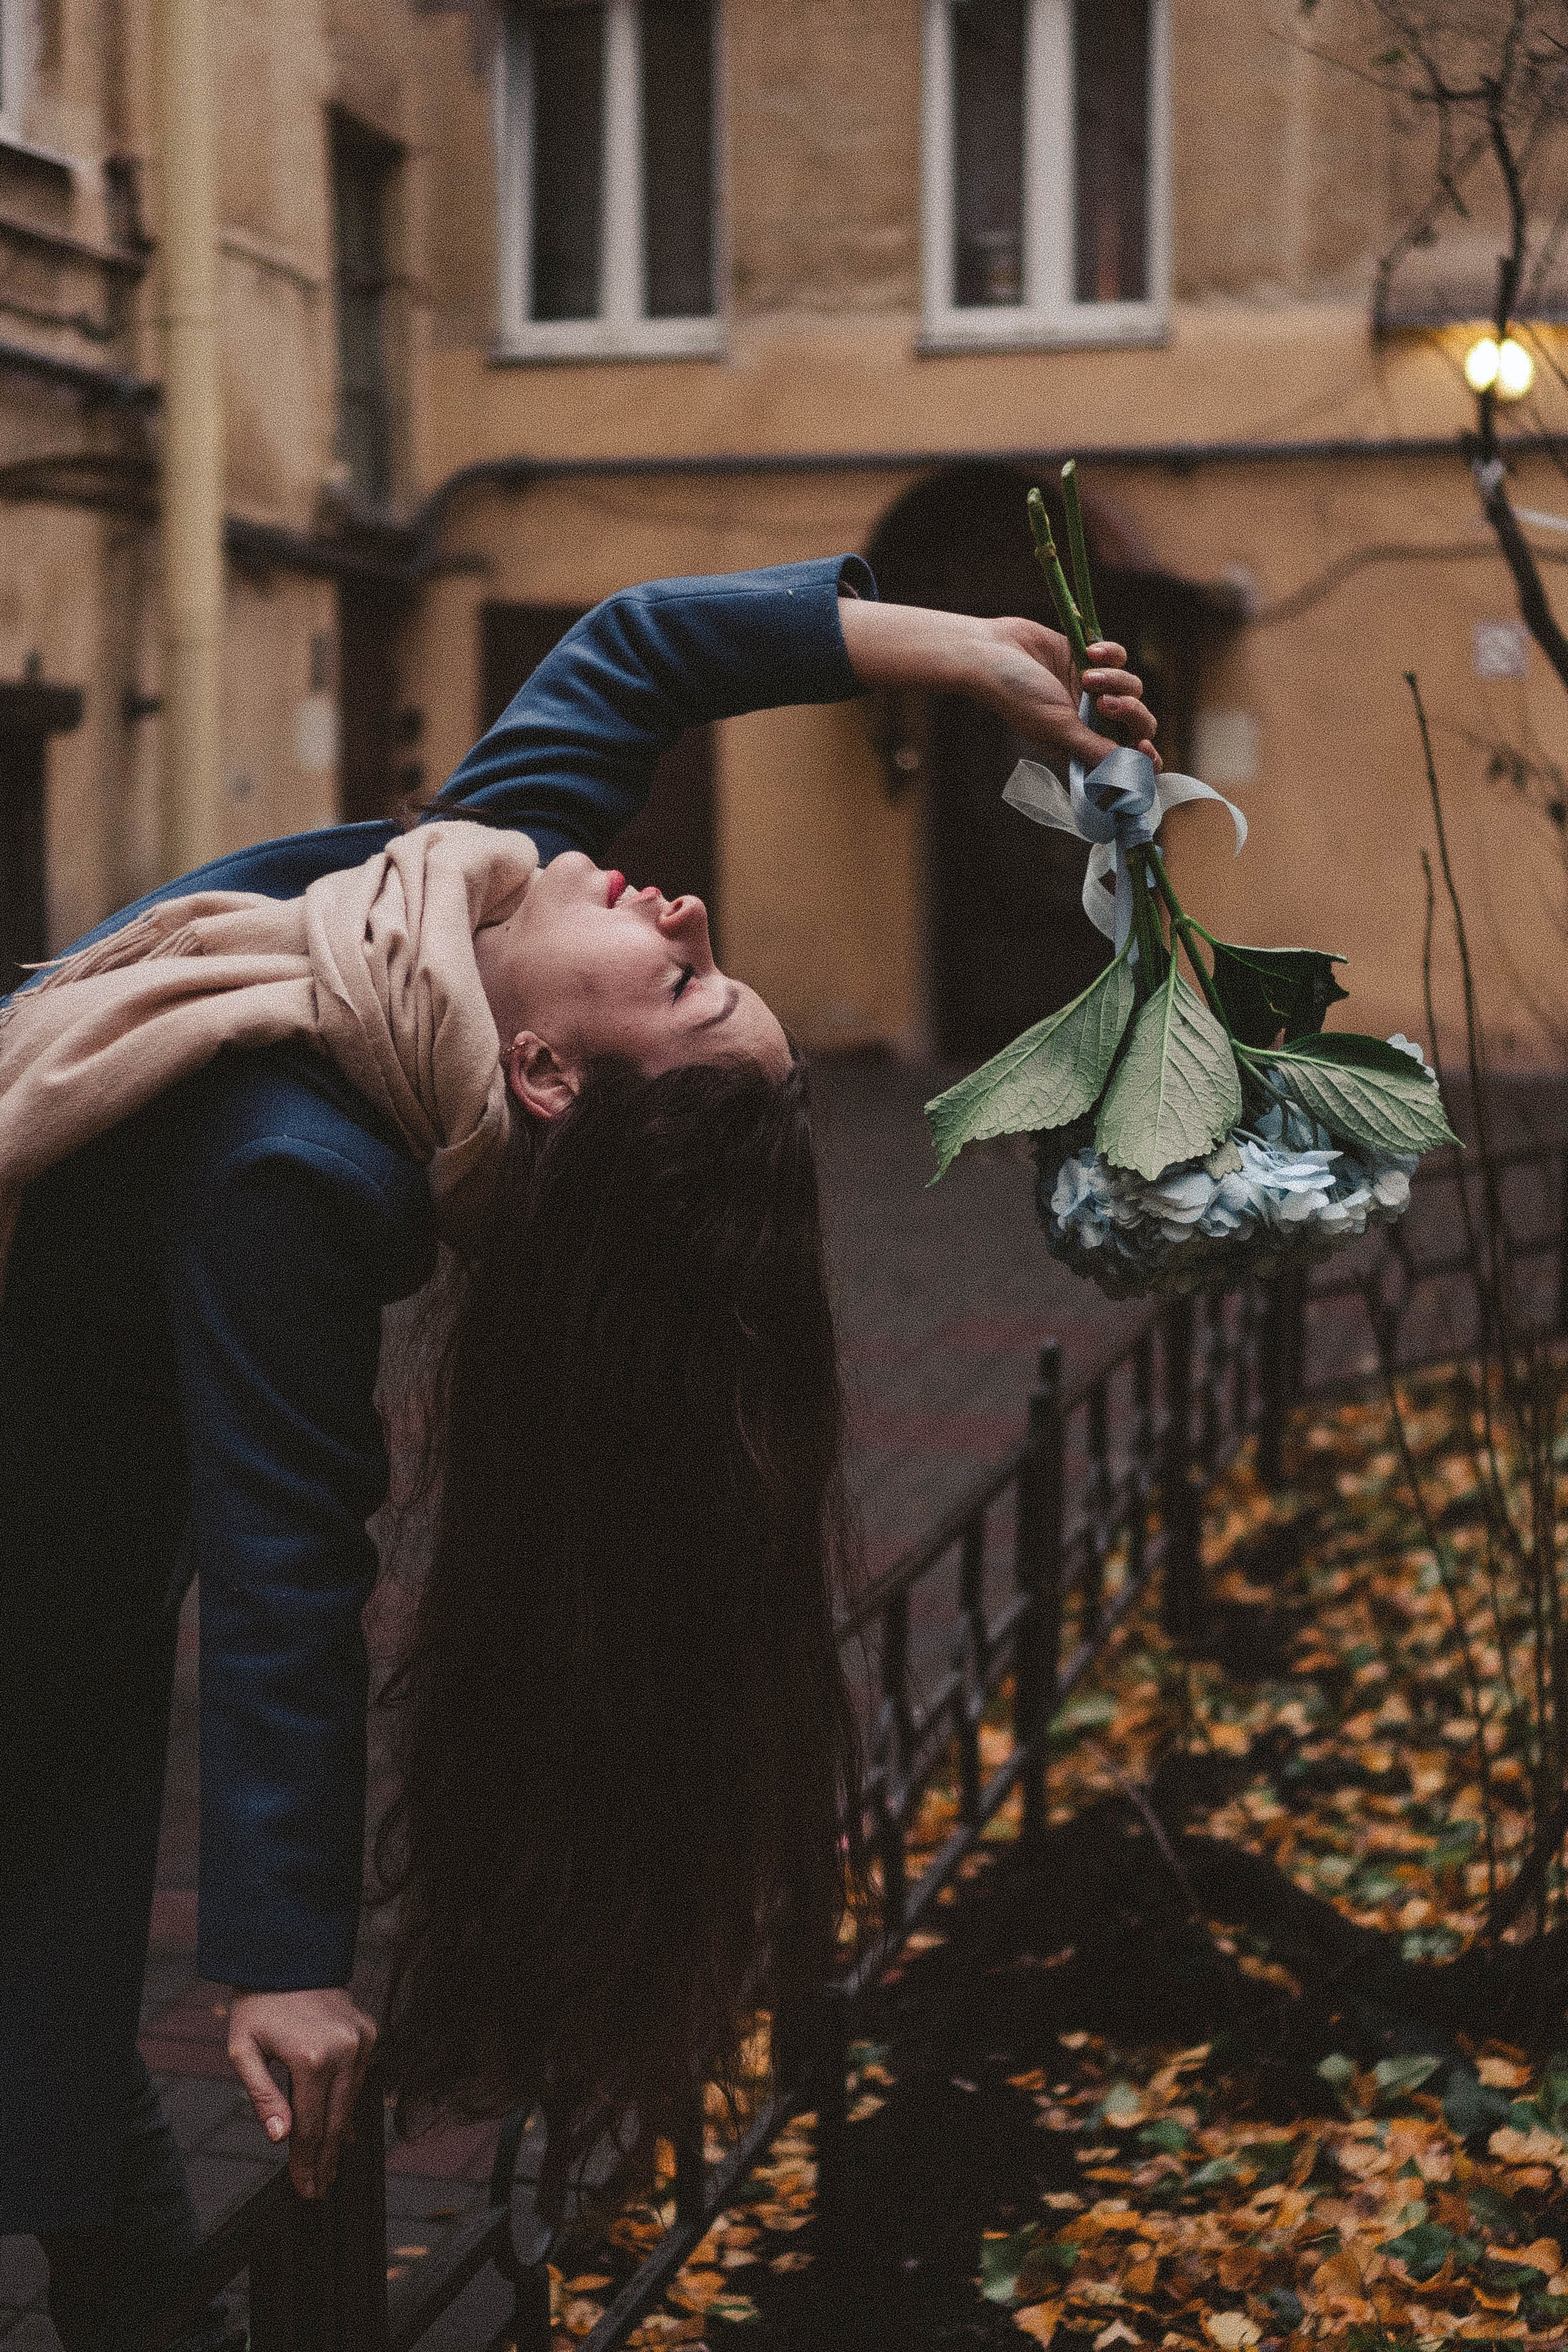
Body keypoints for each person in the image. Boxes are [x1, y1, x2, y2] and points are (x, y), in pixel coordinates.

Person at [0, 554, 1155, 2350]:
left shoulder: (302, 1167)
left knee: (60, 2074)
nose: (689, 915)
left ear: (543, 1076)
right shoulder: (458, 908)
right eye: (716, 965)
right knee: (57, 2079)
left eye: (688, 989)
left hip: (37, 1594)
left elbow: (295, 1556)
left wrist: (285, 1963)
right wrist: (967, 660)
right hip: (56, 1546)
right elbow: (637, 650)